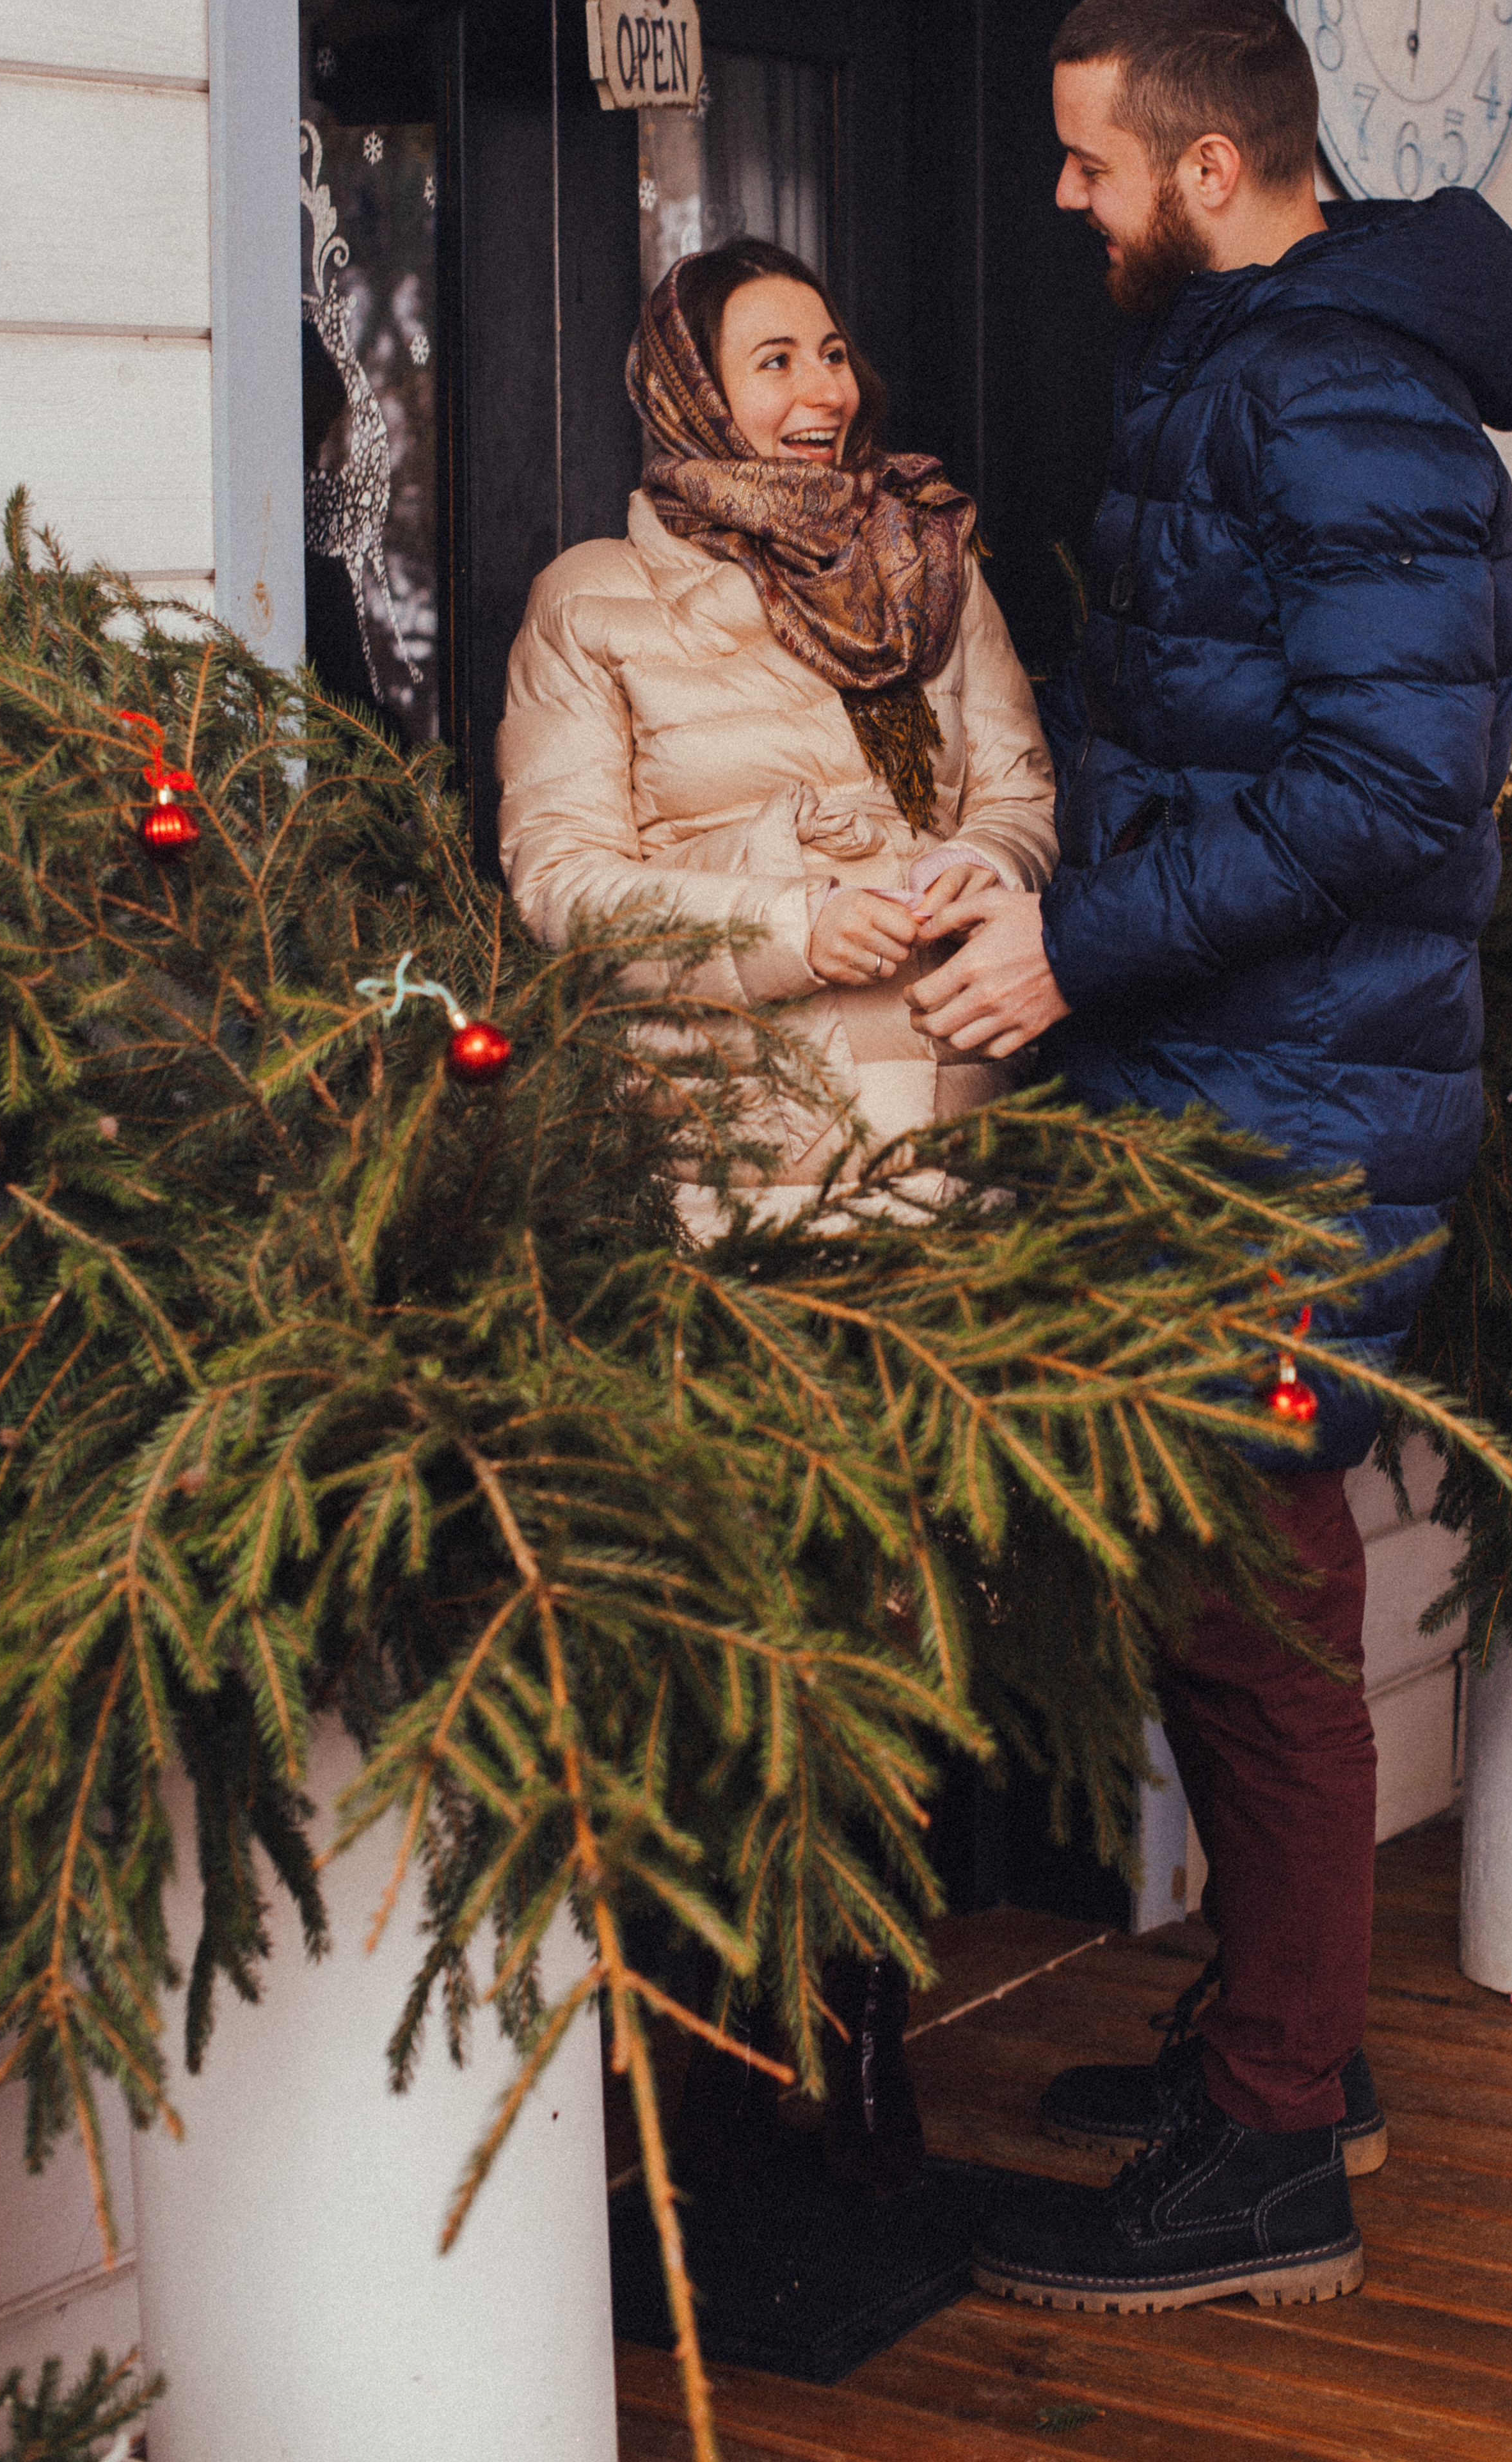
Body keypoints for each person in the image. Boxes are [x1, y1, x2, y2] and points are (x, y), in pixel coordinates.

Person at [907, 0, 1512, 2312]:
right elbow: (1207, 738)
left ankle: (1279, 2152)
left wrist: (1081, 952)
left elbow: (1390, 793)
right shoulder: (1238, 367)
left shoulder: (1348, 397)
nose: (1062, 193)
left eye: (1092, 156)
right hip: (1233, 1083)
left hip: (1290, 1111)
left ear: (1209, 164)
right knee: (1225, 1606)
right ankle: (1289, 2057)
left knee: (1260, 1625)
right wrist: (1043, 882)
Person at [497, 236, 1058, 2187]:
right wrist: (784, 923)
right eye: (772, 361)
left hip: (937, 1166)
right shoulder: (601, 604)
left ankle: (868, 2051)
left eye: (833, 349)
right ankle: (744, 2074)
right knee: (766, 1619)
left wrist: (976, 873)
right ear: (686, 393)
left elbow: (1024, 791)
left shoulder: (934, 565)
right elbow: (560, 882)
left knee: (913, 1614)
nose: (822, 391)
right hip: (730, 1189)